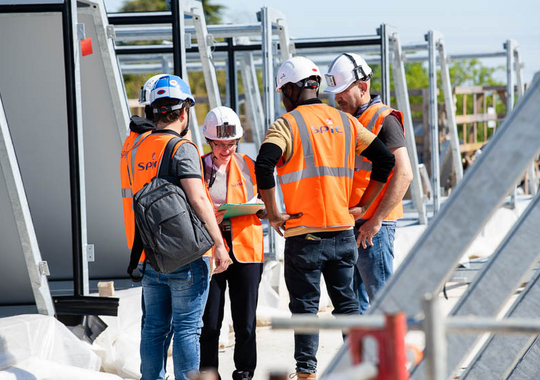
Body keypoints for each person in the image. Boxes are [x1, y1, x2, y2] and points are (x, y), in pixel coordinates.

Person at [254, 56, 395, 379]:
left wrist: (274, 214)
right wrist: (361, 206)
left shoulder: (286, 125)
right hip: (343, 233)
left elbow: (264, 165)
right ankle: (359, 367)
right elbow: (385, 160)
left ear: (290, 89)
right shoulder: (346, 122)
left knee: (305, 310)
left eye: (282, 91)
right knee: (347, 306)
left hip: (304, 235)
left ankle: (306, 372)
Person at [129, 74, 230, 380]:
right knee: (188, 329)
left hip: (149, 255)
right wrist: (218, 243)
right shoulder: (180, 147)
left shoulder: (136, 147)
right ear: (185, 111)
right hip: (184, 257)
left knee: (154, 328)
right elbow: (198, 197)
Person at [324, 53, 413, 313]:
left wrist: (376, 221)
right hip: (350, 224)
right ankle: (363, 355)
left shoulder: (384, 119)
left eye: (342, 92)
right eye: (334, 92)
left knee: (383, 304)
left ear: (362, 87)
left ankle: (394, 354)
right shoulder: (348, 121)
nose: (336, 98)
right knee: (354, 307)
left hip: (374, 228)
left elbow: (404, 173)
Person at [199, 106, 264, 380]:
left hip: (246, 249)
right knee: (210, 322)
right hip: (208, 250)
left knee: (245, 322)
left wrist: (257, 208)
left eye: (232, 143)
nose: (227, 149)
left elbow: (263, 205)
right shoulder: (195, 167)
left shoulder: (248, 165)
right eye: (221, 144)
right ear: (209, 141)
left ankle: (245, 372)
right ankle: (208, 373)